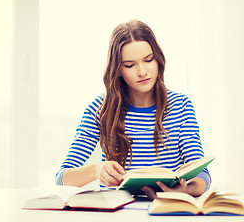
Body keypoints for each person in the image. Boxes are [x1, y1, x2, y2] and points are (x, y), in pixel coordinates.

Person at [55, 19, 211, 199]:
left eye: (148, 60)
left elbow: (202, 175)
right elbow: (62, 178)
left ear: (158, 59)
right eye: (130, 65)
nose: (142, 71)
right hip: (117, 211)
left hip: (166, 209)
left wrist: (186, 190)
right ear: (118, 69)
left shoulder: (181, 106)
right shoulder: (99, 110)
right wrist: (97, 170)